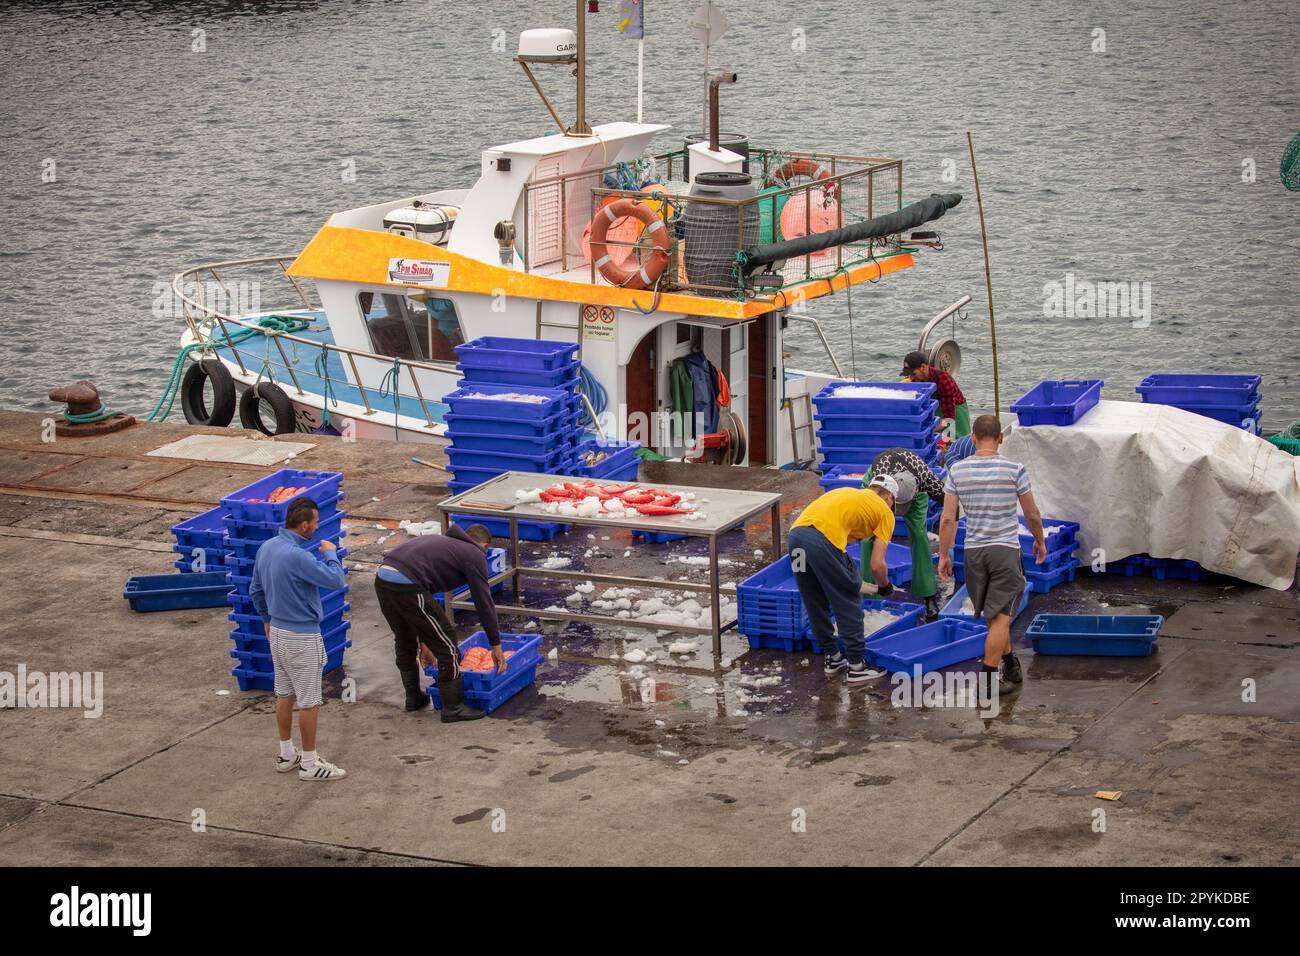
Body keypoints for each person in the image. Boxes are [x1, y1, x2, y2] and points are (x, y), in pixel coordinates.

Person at [936, 415, 1047, 706]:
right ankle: (986, 683)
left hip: (973, 553)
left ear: (972, 438)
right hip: (1004, 550)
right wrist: (1039, 539)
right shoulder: (1014, 469)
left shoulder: (957, 470)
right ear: (1000, 438)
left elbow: (948, 519)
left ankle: (1010, 665)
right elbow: (1032, 513)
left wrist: (945, 554)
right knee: (999, 617)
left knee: (993, 616)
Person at [249, 497, 349, 782]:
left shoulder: (267, 548)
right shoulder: (299, 556)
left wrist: (268, 620)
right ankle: (309, 762)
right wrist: (330, 554)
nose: (317, 528)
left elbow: (255, 590)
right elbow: (335, 580)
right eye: (315, 523)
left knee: (283, 693)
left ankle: (286, 753)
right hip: (301, 636)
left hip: (278, 634)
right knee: (309, 701)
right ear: (304, 525)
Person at [375, 523, 505, 722]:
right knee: (447, 642)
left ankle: (413, 698)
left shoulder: (446, 544)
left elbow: (424, 603)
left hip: (383, 578)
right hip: (408, 582)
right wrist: (496, 644)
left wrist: (426, 640)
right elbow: (483, 601)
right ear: (485, 546)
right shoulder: (475, 554)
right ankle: (453, 707)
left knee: (405, 637)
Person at [788, 478, 898, 683]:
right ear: (889, 496)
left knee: (814, 600)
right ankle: (857, 666)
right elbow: (876, 565)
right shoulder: (884, 511)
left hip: (795, 539)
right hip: (821, 540)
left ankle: (833, 657)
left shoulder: (848, 493)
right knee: (847, 599)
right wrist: (885, 586)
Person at [859, 447, 948, 620]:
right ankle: (870, 599)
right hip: (879, 486)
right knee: (868, 537)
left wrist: (946, 548)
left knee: (919, 535)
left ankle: (928, 593)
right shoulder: (879, 474)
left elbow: (951, 507)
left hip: (910, 487)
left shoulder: (928, 482)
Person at [903, 351, 971, 438]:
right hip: (937, 413)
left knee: (955, 442)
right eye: (908, 375)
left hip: (955, 413)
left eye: (913, 374)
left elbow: (949, 419)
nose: (911, 378)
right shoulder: (915, 381)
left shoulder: (943, 380)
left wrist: (928, 431)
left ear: (923, 367)